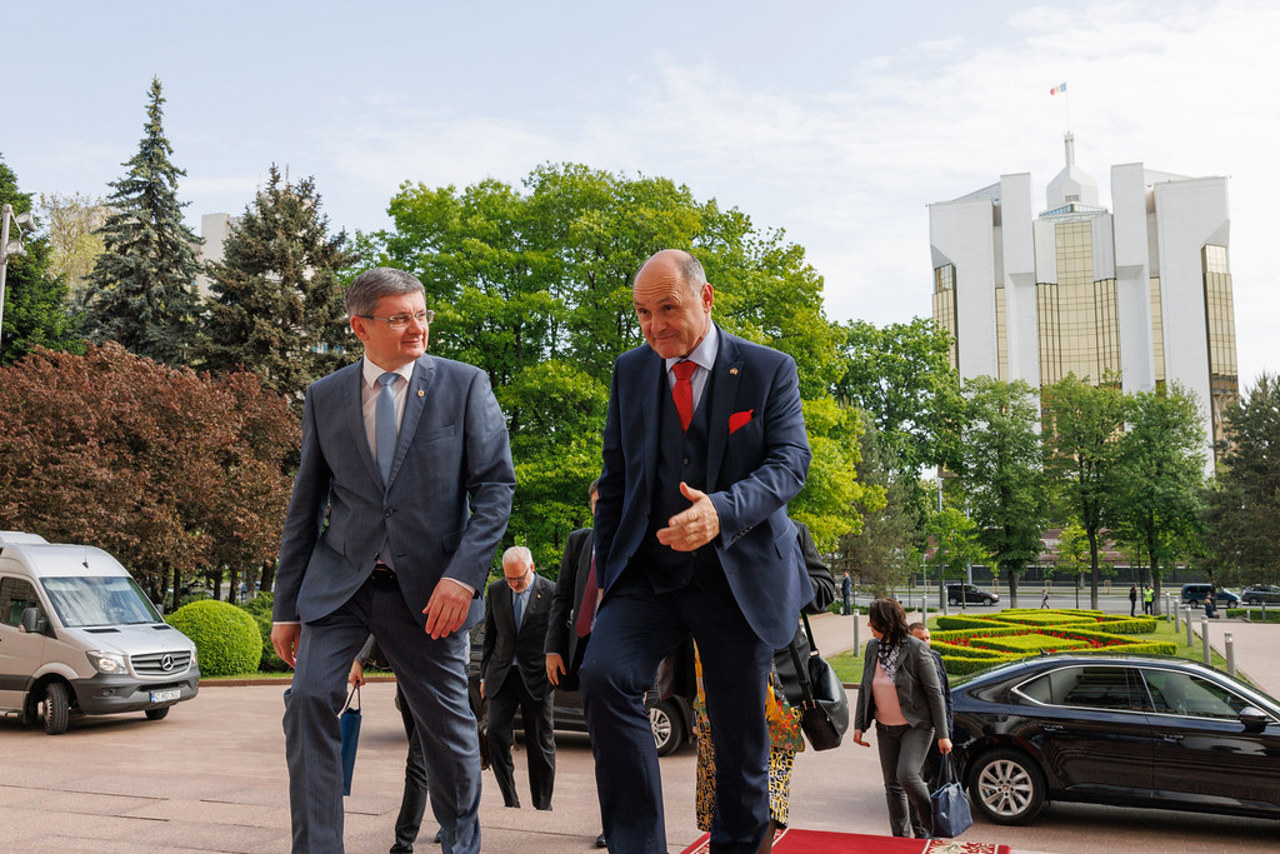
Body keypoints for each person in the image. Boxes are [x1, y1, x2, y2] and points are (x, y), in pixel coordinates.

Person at [271, 266, 515, 854]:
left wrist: (463, 578)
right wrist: (285, 607)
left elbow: (496, 490)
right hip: (340, 585)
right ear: (360, 326)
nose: (417, 327)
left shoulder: (464, 385)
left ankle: (461, 844)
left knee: (446, 726)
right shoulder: (324, 396)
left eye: (422, 313)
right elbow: (304, 507)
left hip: (432, 593)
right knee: (306, 702)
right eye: (400, 317)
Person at [580, 249, 811, 854]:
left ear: (705, 300)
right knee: (604, 677)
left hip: (737, 580)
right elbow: (615, 479)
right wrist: (607, 573)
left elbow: (790, 464)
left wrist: (721, 511)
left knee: (739, 742)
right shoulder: (630, 372)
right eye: (641, 313)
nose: (654, 325)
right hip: (646, 577)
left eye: (667, 308)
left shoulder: (768, 369)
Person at [695, 521, 835, 853]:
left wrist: (780, 581)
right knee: (721, 791)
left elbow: (825, 590)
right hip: (715, 678)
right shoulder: (706, 527)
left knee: (768, 793)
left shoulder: (791, 530)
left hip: (780, 686)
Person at [852, 598, 951, 839]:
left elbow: (934, 692)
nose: (868, 624)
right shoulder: (873, 648)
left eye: (873, 621)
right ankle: (901, 840)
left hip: (916, 726)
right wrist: (858, 726)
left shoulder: (916, 648)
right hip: (885, 727)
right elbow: (866, 687)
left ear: (886, 623)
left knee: (906, 775)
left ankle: (933, 825)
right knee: (892, 787)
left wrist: (943, 734)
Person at [544, 478, 607, 848]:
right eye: (596, 502)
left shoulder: (638, 535)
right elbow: (561, 596)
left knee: (619, 743)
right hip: (584, 653)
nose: (601, 507)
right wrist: (553, 648)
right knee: (600, 743)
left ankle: (621, 821)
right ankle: (610, 820)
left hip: (625, 655)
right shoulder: (580, 541)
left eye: (608, 499)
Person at [481, 546, 556, 811]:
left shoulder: (551, 592)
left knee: (540, 742)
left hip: (537, 676)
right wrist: (483, 675)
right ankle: (510, 801)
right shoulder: (497, 590)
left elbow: (557, 636)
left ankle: (542, 805)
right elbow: (489, 635)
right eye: (509, 578)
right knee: (496, 737)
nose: (514, 584)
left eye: (519, 578)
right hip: (502, 675)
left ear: (532, 568)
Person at [349, 636, 433, 853]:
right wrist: (359, 660)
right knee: (433, 762)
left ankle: (403, 844)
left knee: (418, 763)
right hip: (407, 678)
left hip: (439, 679)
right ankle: (450, 818)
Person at [905, 622, 952, 839]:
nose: (926, 642)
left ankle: (936, 826)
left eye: (928, 638)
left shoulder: (936, 658)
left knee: (941, 781)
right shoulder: (906, 662)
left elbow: (945, 698)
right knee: (914, 781)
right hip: (917, 732)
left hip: (938, 733)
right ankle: (921, 831)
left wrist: (946, 732)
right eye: (921, 638)